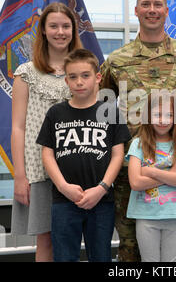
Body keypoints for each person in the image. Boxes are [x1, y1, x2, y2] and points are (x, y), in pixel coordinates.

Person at [100, 0, 176, 261]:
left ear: (167, 10)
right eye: (146, 4)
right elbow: (103, 110)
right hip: (131, 173)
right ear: (136, 10)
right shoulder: (117, 60)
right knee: (130, 248)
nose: (152, 10)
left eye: (158, 4)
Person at [36, 48, 131, 262]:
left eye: (85, 75)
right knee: (64, 257)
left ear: (98, 78)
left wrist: (102, 188)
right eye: (73, 77)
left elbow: (118, 155)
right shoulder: (56, 113)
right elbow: (48, 154)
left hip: (101, 200)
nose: (79, 82)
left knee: (101, 257)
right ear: (66, 81)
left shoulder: (111, 112)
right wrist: (63, 186)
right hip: (64, 200)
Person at [10, 2, 82, 261]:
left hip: (77, 170)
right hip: (39, 172)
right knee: (46, 239)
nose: (60, 32)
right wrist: (20, 175)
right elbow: (18, 128)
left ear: (74, 30)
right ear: (43, 31)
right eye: (53, 26)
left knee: (72, 239)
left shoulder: (82, 74)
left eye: (66, 26)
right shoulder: (26, 74)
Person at [126, 92, 176, 262]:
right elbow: (135, 182)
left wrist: (150, 171)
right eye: (157, 115)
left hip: (173, 216)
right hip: (146, 216)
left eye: (168, 115)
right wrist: (171, 175)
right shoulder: (138, 144)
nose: (162, 120)